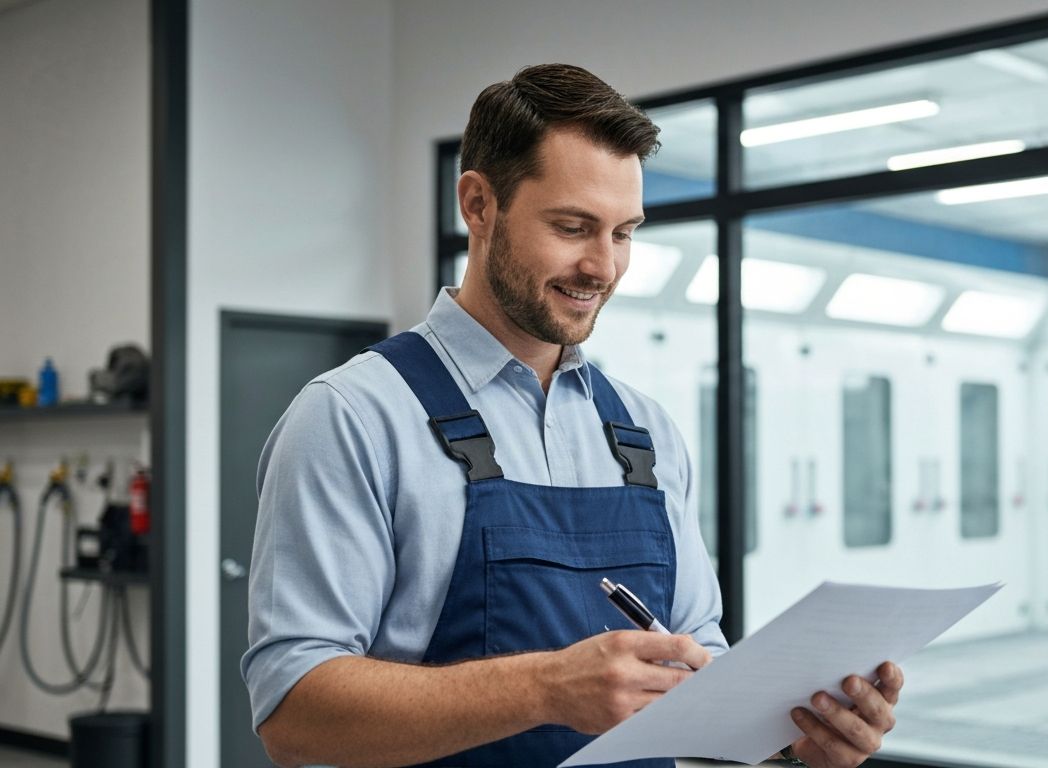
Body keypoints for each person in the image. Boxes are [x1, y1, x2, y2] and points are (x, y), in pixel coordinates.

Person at [242, 63, 904, 768]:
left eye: (623, 233)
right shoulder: (353, 417)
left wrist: (792, 745)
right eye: (572, 226)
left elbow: (697, 672)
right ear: (477, 204)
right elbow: (292, 709)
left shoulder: (645, 435)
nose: (603, 267)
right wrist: (544, 688)